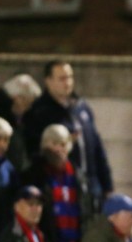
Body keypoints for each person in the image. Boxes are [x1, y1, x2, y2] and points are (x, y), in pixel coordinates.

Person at [23, 60, 114, 213]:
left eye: (70, 77)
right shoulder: (38, 113)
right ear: (48, 81)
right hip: (62, 189)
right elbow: (33, 153)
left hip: (91, 187)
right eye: (62, 78)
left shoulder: (81, 107)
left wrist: (107, 185)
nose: (68, 83)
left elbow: (97, 147)